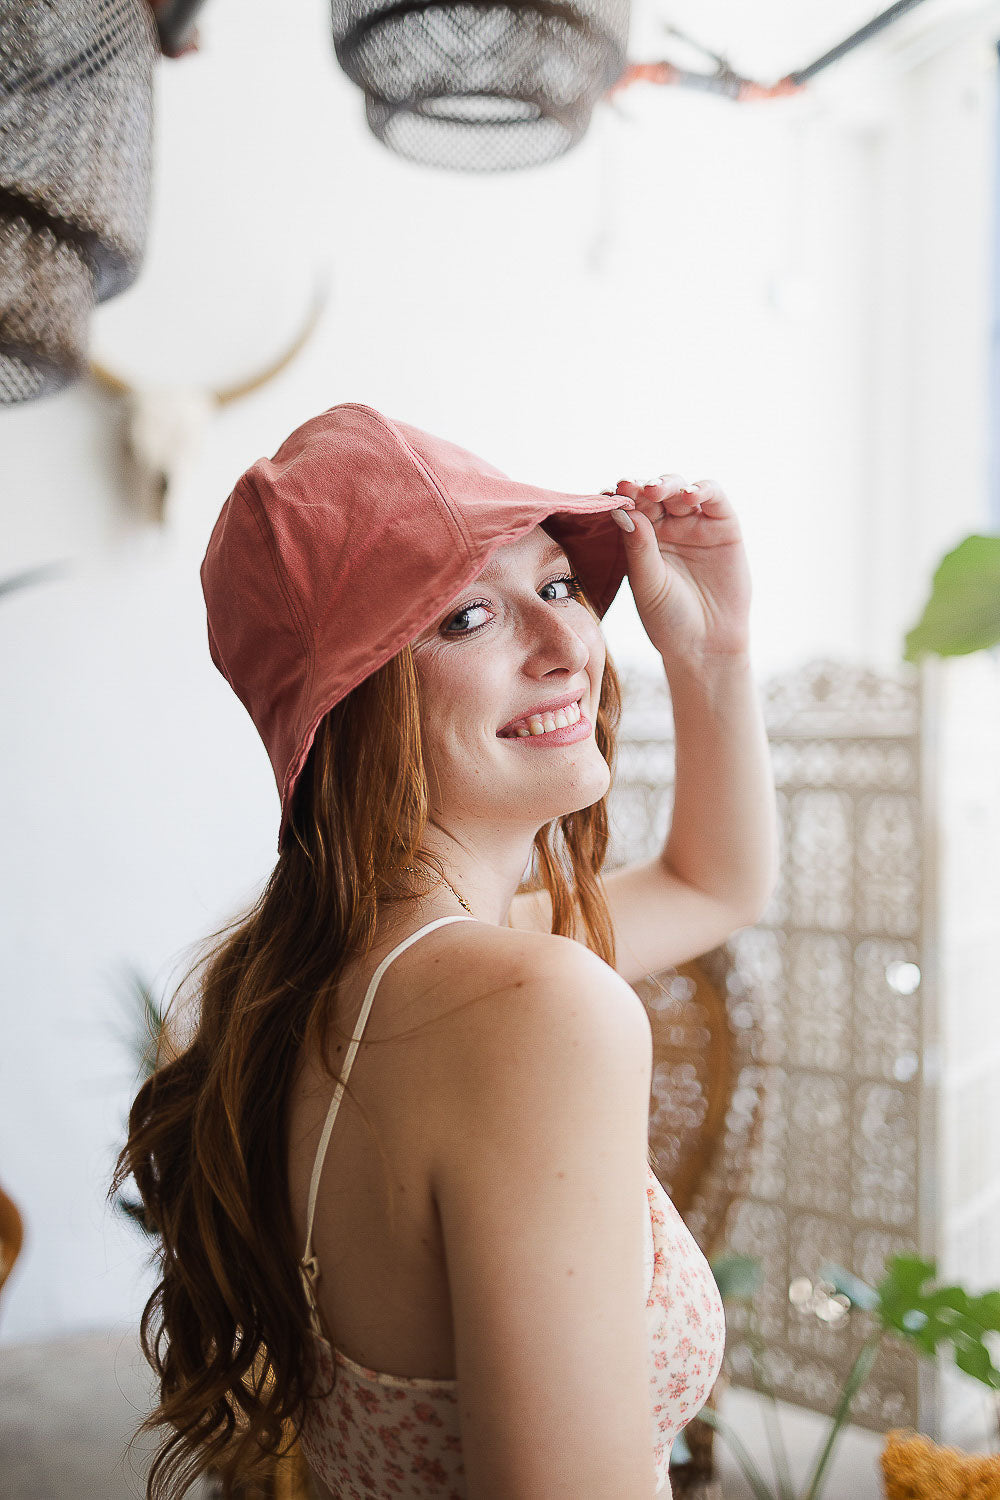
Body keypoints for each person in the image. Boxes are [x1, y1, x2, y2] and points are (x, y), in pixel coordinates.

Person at [114, 403, 778, 1499]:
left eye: (557, 585)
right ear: (349, 706)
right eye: (467, 617)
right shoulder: (528, 1007)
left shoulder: (324, 983)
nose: (566, 647)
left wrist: (713, 652)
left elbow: (715, 885)